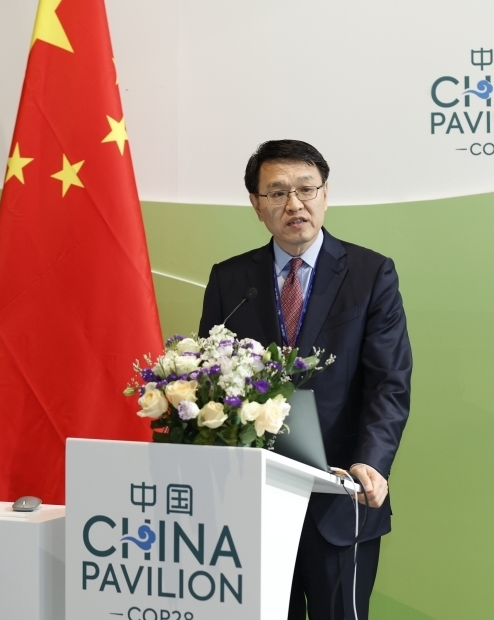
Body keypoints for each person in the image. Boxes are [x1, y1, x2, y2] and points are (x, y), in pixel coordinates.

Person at [199, 139, 412, 619]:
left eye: (306, 189)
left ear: (325, 194)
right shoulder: (230, 280)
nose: (294, 204)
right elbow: (211, 380)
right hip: (254, 503)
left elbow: (388, 382)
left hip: (341, 494)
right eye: (277, 193)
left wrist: (372, 462)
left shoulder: (370, 274)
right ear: (257, 204)